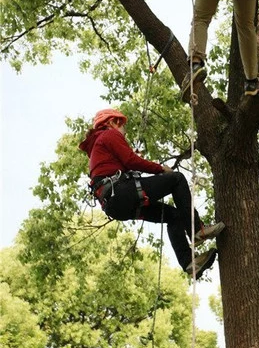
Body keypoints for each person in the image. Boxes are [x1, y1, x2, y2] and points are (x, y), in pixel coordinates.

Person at [79, 108, 225, 278]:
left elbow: (120, 165)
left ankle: (189, 263)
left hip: (116, 205)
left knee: (173, 216)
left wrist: (130, 160)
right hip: (121, 192)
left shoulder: (98, 147)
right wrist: (161, 169)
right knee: (176, 179)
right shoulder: (109, 135)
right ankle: (197, 230)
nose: (124, 131)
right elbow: (131, 161)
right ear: (112, 122)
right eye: (122, 126)